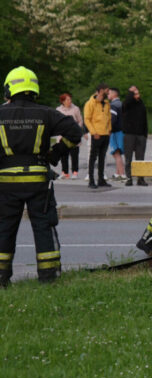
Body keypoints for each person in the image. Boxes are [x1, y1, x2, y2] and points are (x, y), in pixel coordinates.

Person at [0, 66, 82, 286]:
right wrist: (54, 155)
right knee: (43, 227)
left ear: (9, 89)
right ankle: (48, 277)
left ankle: (1, 278)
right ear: (33, 89)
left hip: (6, 183)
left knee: (4, 229)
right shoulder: (46, 113)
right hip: (38, 181)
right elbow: (75, 133)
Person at [83, 83, 112, 188]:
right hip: (96, 134)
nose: (108, 92)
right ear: (101, 91)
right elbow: (87, 119)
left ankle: (101, 179)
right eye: (107, 90)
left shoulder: (107, 103)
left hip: (105, 134)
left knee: (102, 157)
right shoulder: (90, 103)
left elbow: (109, 117)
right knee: (93, 157)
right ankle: (91, 180)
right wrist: (93, 132)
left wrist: (109, 129)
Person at [122, 85, 148, 186]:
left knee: (140, 158)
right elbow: (126, 104)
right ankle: (129, 178)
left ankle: (140, 178)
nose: (137, 95)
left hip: (140, 134)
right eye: (135, 94)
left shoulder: (141, 104)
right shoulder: (127, 104)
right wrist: (131, 93)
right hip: (129, 134)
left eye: (138, 93)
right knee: (128, 158)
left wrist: (145, 134)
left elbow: (144, 119)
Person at [55, 93, 83, 179]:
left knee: (74, 155)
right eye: (67, 100)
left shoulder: (75, 109)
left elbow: (80, 121)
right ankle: (65, 172)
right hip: (63, 136)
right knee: (63, 155)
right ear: (63, 101)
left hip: (74, 136)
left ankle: (75, 172)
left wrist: (77, 130)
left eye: (70, 99)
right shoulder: (58, 110)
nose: (69, 101)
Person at [108, 87, 126, 180]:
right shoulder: (122, 104)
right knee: (119, 152)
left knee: (116, 152)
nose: (108, 95)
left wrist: (108, 130)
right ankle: (117, 172)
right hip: (123, 131)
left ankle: (122, 174)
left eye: (109, 93)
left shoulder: (113, 105)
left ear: (114, 94)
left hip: (115, 132)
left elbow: (112, 119)